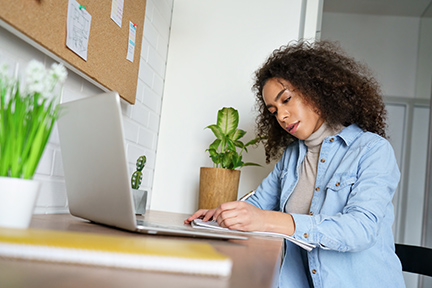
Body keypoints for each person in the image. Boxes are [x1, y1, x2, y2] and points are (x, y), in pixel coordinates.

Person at [185, 40, 405, 288]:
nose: (281, 116)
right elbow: (257, 203)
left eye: (286, 100)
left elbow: (360, 229)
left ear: (316, 90)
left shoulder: (372, 150)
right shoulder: (292, 156)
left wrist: (267, 220)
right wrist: (222, 214)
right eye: (273, 110)